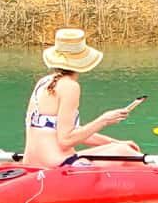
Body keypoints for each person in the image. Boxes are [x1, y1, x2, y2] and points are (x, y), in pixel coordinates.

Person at [23, 28, 141, 167]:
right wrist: (104, 120)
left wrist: (115, 142)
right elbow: (66, 140)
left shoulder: (44, 82)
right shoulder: (70, 86)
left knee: (121, 148)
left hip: (31, 162)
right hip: (57, 165)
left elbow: (73, 133)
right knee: (124, 152)